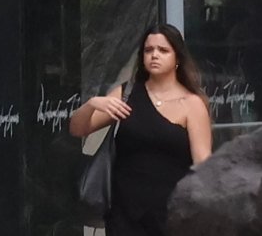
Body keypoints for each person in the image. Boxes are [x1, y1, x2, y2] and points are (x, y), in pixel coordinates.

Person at [68, 26, 214, 236]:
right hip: (125, 211)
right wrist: (92, 104)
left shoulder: (192, 104)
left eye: (163, 50)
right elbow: (78, 129)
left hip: (172, 211)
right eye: (148, 50)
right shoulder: (127, 93)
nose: (154, 55)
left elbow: (202, 162)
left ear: (177, 58)